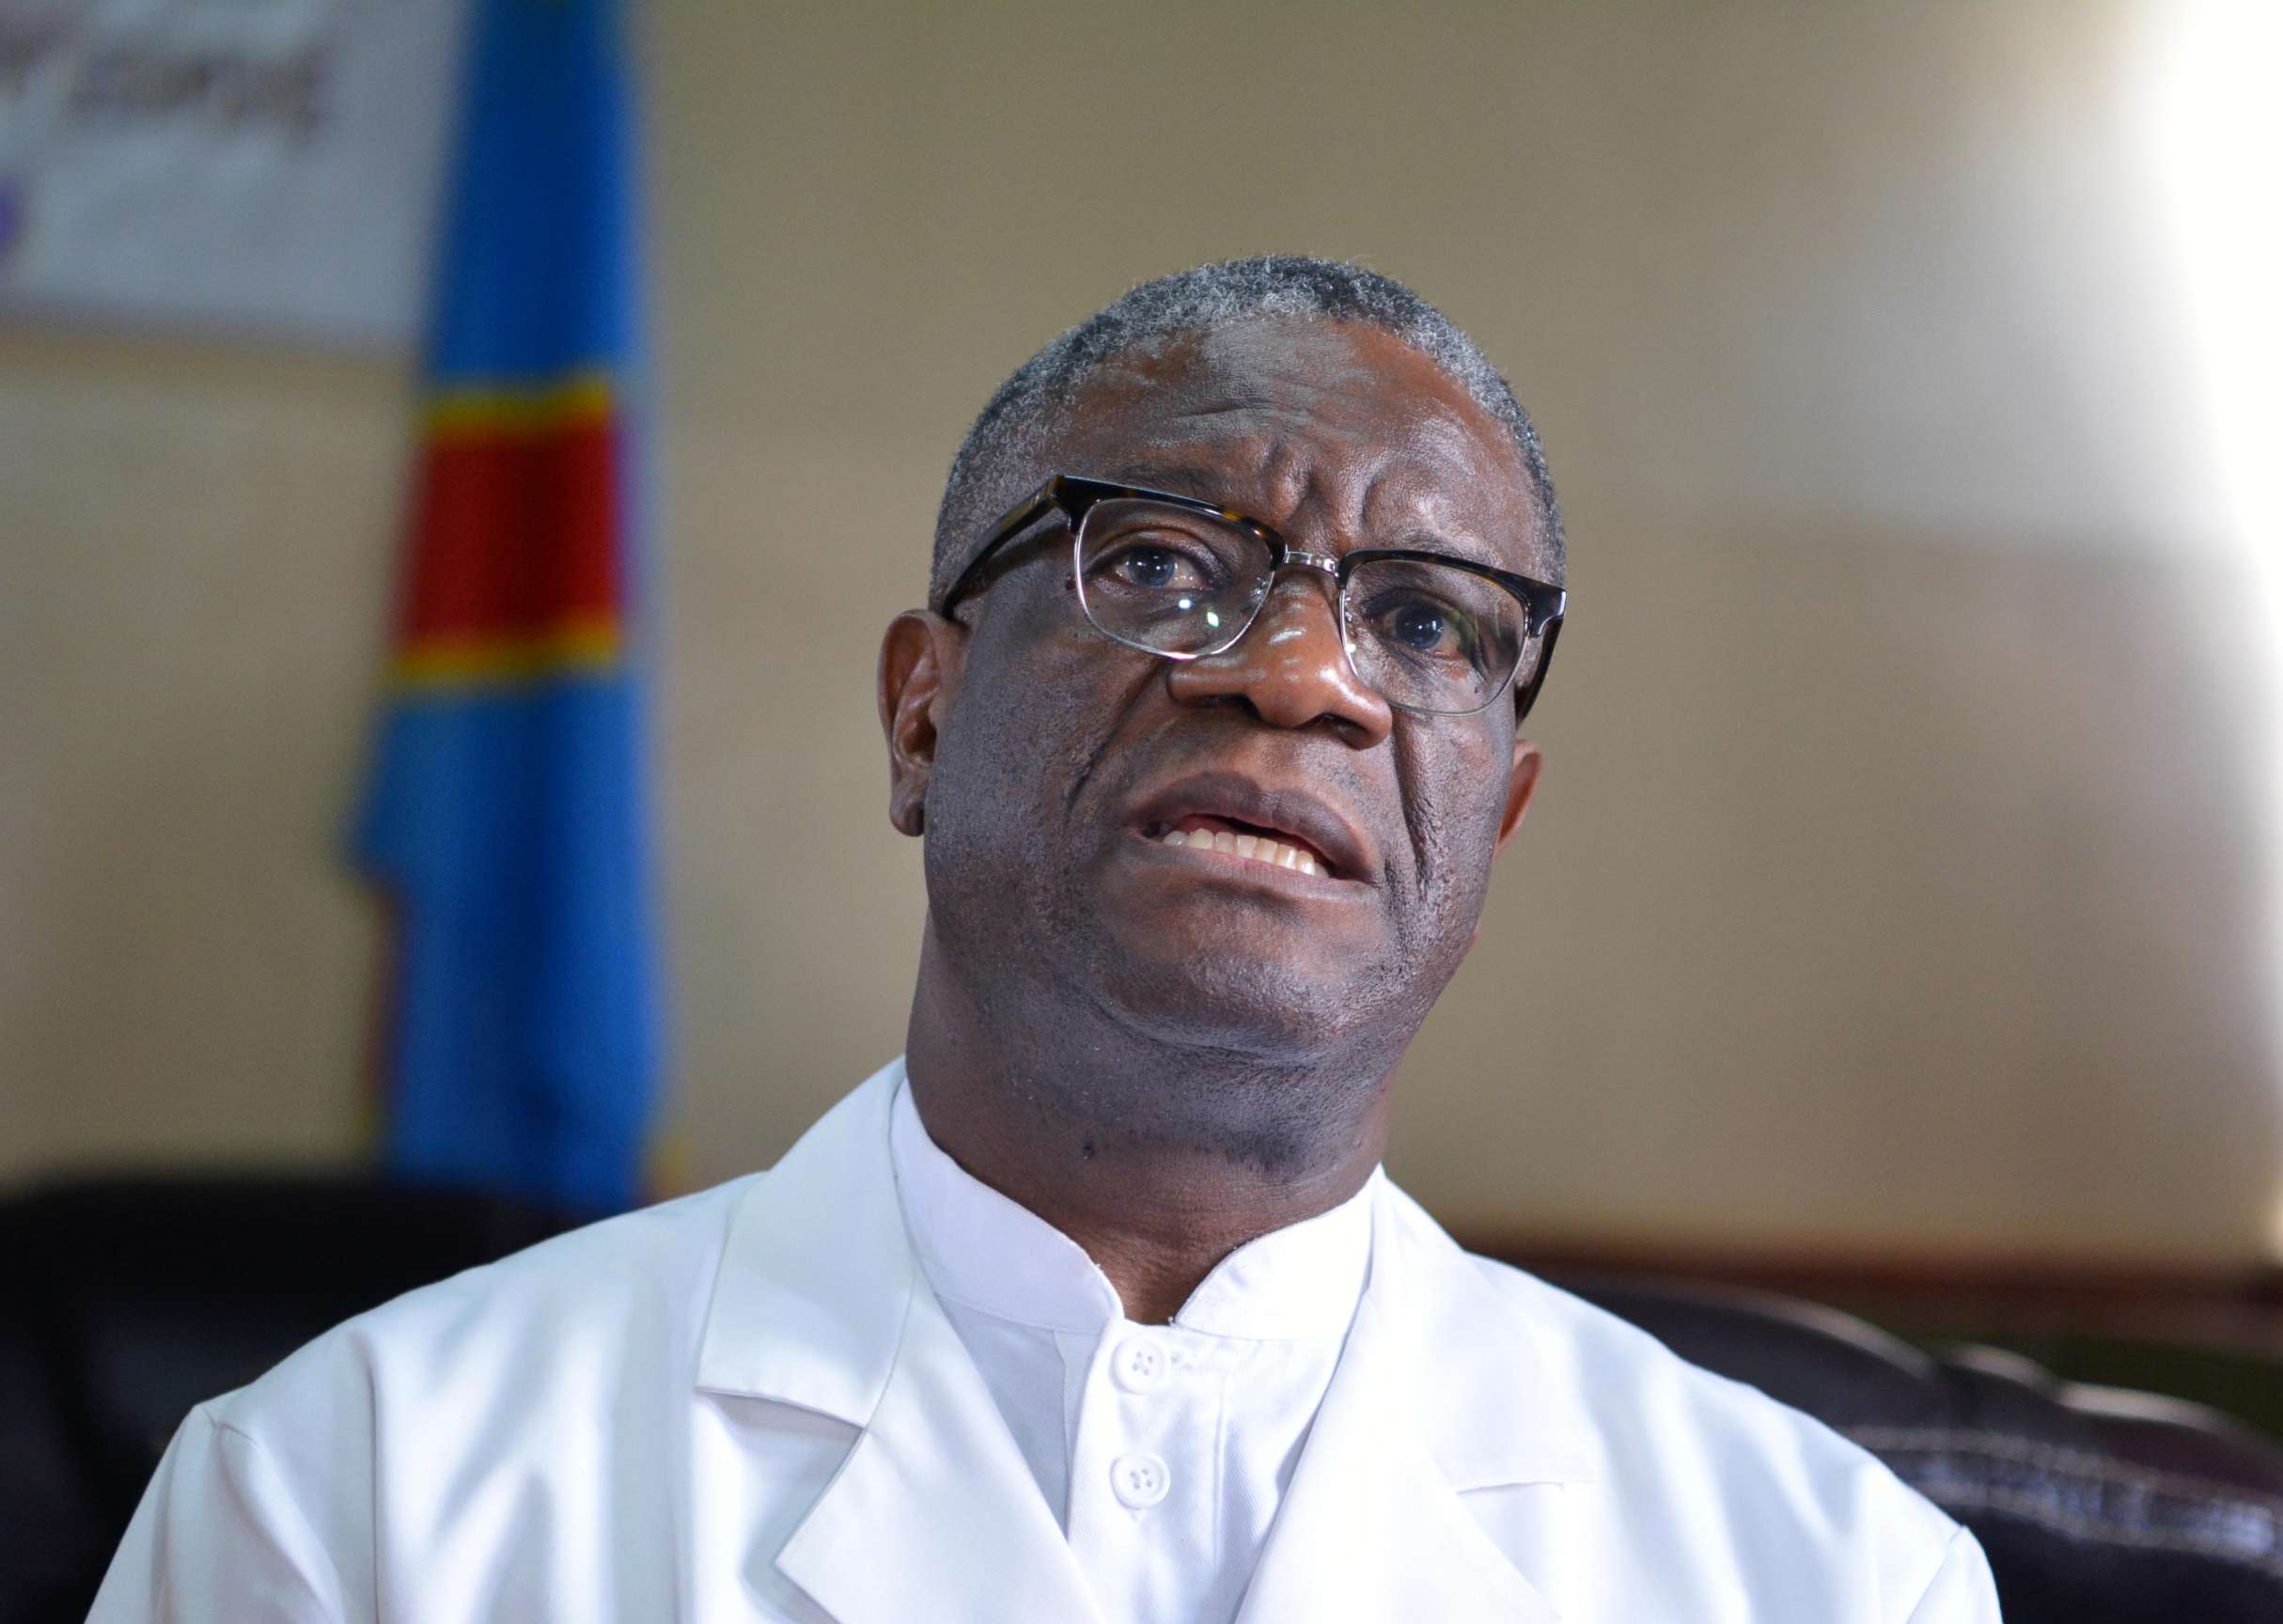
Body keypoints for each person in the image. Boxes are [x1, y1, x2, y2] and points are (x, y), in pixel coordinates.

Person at [89, 258, 2000, 1622]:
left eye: (1428, 622)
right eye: (1164, 564)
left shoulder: (1829, 1573)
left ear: (1488, 820)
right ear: (922, 715)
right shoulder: (354, 1502)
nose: (1305, 672)